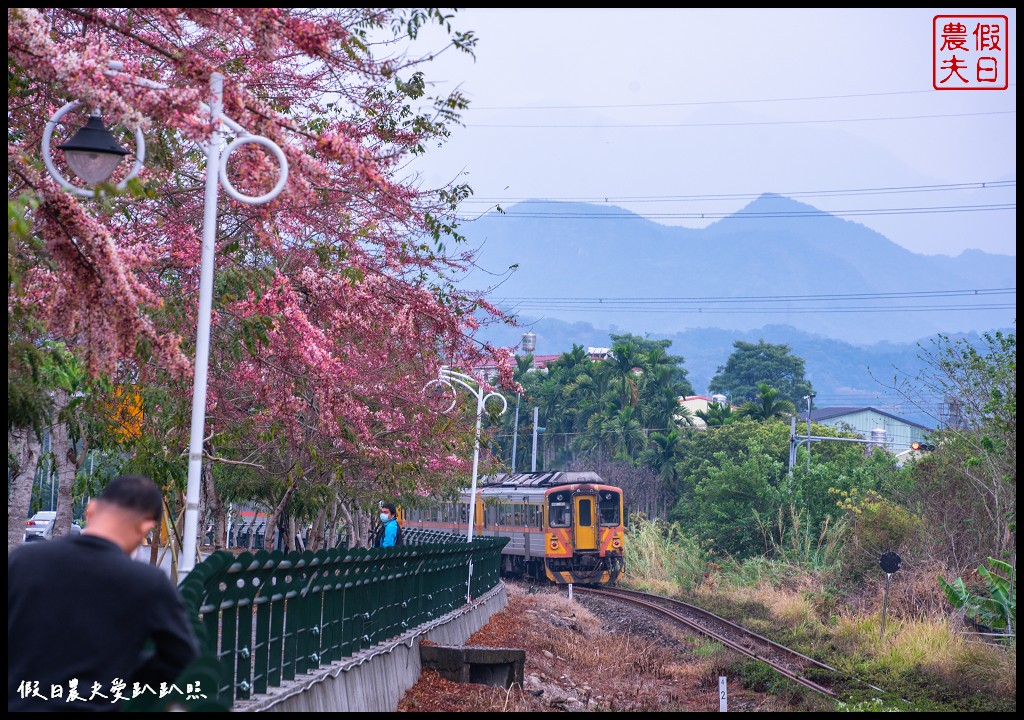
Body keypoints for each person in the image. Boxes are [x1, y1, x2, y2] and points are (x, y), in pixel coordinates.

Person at [8, 475, 199, 712]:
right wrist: (122, 670)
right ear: (146, 527)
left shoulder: (23, 560)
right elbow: (181, 653)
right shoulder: (147, 582)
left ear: (91, 510)